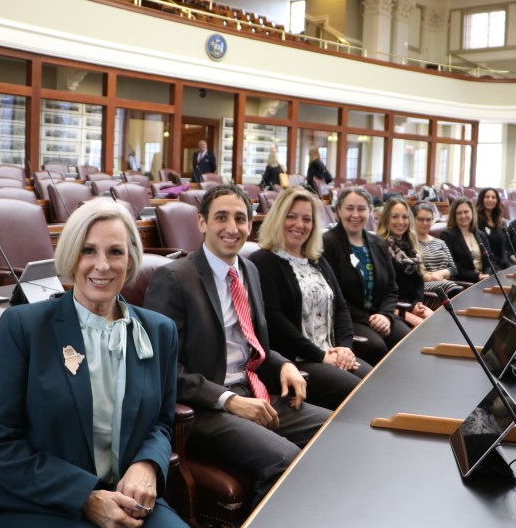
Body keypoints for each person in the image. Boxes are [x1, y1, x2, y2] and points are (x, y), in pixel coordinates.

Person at [0, 198, 185, 528]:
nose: (102, 265)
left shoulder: (160, 331)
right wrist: (85, 496)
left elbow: (162, 423)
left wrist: (148, 464)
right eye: (88, 250)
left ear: (131, 258)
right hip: (30, 498)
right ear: (69, 256)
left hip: (122, 496)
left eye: (115, 252)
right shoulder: (22, 327)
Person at [143, 184, 330, 509]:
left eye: (240, 219)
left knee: (337, 432)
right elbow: (164, 370)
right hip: (202, 410)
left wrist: (283, 363)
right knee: (286, 460)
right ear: (201, 223)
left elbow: (254, 346)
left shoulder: (248, 270)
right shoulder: (173, 278)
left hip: (255, 392)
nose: (232, 228)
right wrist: (228, 401)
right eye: (221, 218)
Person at [250, 187, 371, 410]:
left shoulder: (317, 259)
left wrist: (344, 348)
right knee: (359, 393)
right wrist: (321, 356)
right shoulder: (263, 261)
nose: (300, 225)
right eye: (292, 217)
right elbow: (275, 322)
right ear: (278, 218)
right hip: (297, 361)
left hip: (330, 353)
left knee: (376, 380)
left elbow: (341, 308)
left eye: (307, 219)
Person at [322, 186, 409, 366]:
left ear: (370, 211)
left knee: (409, 339)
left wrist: (385, 315)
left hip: (380, 315)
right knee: (375, 346)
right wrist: (369, 320)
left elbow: (391, 288)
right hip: (349, 318)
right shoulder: (327, 243)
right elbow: (332, 295)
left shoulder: (378, 243)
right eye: (349, 208)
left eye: (361, 209)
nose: (355, 214)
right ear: (338, 211)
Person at [376, 197, 433, 327]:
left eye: (405, 217)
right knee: (425, 328)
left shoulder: (411, 246)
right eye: (395, 217)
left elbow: (419, 281)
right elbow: (383, 289)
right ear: (386, 219)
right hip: (392, 307)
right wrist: (409, 309)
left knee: (438, 322)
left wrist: (417, 303)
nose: (401, 222)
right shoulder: (380, 246)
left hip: (410, 305)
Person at [412, 201, 465, 299]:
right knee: (453, 290)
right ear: (413, 220)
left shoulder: (440, 242)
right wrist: (432, 278)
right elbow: (413, 272)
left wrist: (441, 274)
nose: (425, 223)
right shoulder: (409, 243)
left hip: (445, 284)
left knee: (453, 289)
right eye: (421, 219)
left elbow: (453, 269)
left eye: (428, 220)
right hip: (423, 289)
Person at [440, 196, 495, 282]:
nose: (463, 216)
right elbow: (452, 266)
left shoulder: (481, 234)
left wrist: (487, 274)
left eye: (466, 212)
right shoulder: (447, 235)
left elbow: (490, 260)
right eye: (459, 213)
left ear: (472, 212)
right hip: (464, 283)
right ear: (454, 215)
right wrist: (477, 276)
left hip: (485, 280)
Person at [475, 187, 512, 269]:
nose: (490, 200)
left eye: (493, 197)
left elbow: (504, 248)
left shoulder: (499, 221)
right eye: (487, 197)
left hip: (503, 264)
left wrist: (507, 263)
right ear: (481, 199)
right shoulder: (476, 220)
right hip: (489, 266)